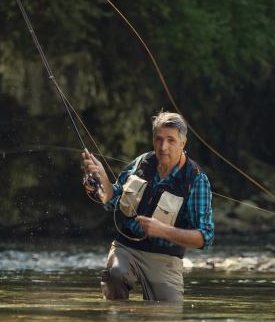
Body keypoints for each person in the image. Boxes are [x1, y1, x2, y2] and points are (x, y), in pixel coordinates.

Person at [82, 111, 214, 303]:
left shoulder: (195, 180)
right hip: (126, 248)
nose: (163, 147)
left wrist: (163, 231)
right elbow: (111, 200)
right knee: (115, 274)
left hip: (165, 259)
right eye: (158, 139)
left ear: (183, 143)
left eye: (171, 140)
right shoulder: (142, 163)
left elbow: (205, 237)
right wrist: (99, 179)